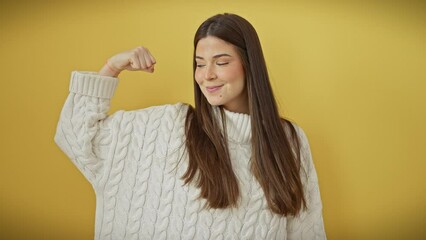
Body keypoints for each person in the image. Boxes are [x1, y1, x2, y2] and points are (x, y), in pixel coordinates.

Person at [55, 13, 326, 240]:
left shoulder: (289, 140)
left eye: (221, 62)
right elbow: (76, 136)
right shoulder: (168, 125)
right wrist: (111, 68)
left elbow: (306, 229)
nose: (207, 75)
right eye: (199, 64)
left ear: (249, 65)